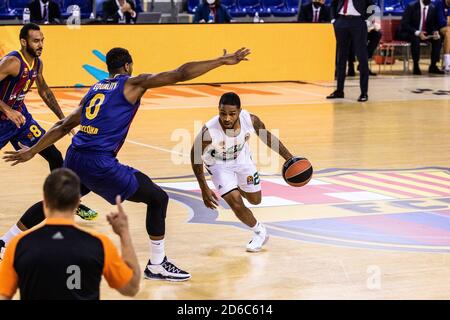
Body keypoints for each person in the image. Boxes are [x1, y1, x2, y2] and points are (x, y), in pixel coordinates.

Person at [3, 47, 251, 281]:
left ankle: (5, 241)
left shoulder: (97, 88)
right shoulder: (132, 83)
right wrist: (220, 61)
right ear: (128, 65)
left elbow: (64, 125)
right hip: (98, 162)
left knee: (58, 202)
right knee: (157, 198)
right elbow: (180, 74)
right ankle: (157, 264)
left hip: (75, 155)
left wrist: (33, 151)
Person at [0, 23, 97, 258]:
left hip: (21, 121)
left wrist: (65, 121)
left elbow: (44, 91)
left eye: (42, 40)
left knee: (54, 155)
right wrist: (6, 109)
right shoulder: (12, 62)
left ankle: (63, 201)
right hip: (4, 119)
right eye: (35, 41)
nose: (40, 45)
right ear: (23, 42)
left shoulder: (37, 64)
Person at [0, 168, 140, 300]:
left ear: (45, 199)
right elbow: (131, 288)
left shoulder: (18, 245)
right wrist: (124, 234)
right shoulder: (100, 244)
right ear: (77, 201)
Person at [190, 92, 294, 252]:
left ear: (239, 111)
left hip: (242, 159)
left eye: (232, 114)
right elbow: (195, 155)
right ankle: (260, 231)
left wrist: (289, 158)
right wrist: (203, 187)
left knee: (255, 200)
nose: (227, 118)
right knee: (235, 202)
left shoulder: (251, 120)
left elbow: (268, 138)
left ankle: (232, 186)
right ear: (218, 110)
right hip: (218, 164)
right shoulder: (209, 131)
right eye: (222, 113)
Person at [327, 0, 374, 102]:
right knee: (341, 57)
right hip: (341, 21)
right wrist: (333, 20)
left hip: (358, 22)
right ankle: (339, 91)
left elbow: (372, 5)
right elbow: (333, 4)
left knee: (362, 57)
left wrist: (368, 21)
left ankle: (364, 93)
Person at [396, 0, 444, 75]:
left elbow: (434, 24)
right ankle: (416, 65)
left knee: (437, 39)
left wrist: (435, 31)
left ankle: (433, 66)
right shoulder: (411, 6)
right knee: (415, 38)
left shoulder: (432, 8)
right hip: (409, 32)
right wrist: (418, 33)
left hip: (424, 33)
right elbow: (404, 24)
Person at [435, 0, 450, 73]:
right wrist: (447, 21)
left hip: (446, 29)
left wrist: (448, 21)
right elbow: (441, 22)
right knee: (448, 30)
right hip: (435, 29)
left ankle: (446, 63)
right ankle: (447, 64)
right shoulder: (439, 4)